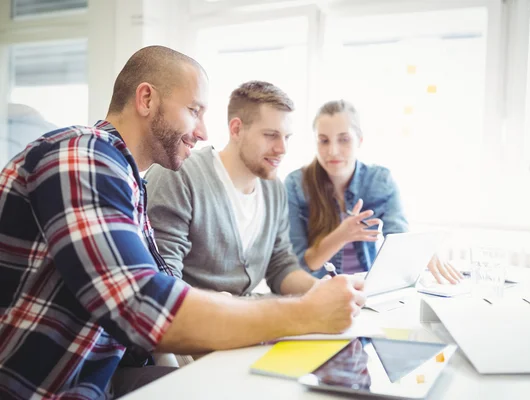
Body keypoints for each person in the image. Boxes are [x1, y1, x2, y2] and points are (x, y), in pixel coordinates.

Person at [0, 47, 365, 400]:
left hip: (105, 376)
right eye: (194, 110)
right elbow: (145, 306)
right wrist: (303, 314)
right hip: (45, 386)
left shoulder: (128, 181)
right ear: (146, 100)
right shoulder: (82, 156)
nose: (205, 132)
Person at [145, 81, 323, 296]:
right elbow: (164, 278)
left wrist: (324, 290)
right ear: (236, 129)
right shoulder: (179, 175)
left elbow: (281, 266)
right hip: (193, 322)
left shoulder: (274, 189)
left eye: (287, 137)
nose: (282, 149)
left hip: (244, 319)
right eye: (270, 135)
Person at [285, 99, 462, 283]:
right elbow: (300, 266)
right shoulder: (296, 185)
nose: (333, 151)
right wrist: (341, 235)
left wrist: (422, 250)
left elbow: (399, 235)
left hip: (367, 290)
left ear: (359, 140)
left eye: (344, 139)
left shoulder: (380, 181)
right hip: (318, 290)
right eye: (324, 141)